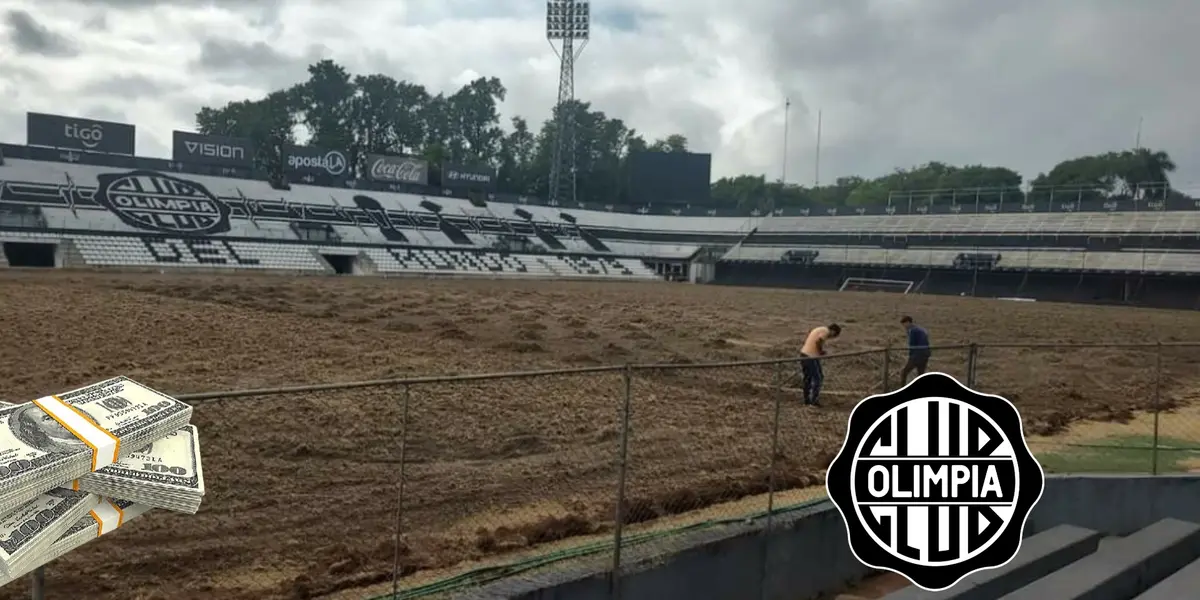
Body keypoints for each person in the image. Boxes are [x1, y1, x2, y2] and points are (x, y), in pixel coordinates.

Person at [799, 323, 841, 406]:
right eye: (834, 335)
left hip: (804, 354)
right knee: (818, 377)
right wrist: (821, 351)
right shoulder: (825, 331)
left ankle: (807, 399)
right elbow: (819, 341)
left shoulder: (819, 329)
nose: (831, 337)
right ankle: (814, 400)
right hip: (811, 356)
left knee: (808, 378)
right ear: (833, 331)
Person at [900, 316, 931, 383]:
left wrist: (911, 356)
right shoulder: (920, 329)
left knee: (904, 372)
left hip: (917, 355)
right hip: (925, 354)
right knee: (921, 373)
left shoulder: (913, 331)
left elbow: (912, 344)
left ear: (908, 322)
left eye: (904, 324)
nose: (904, 326)